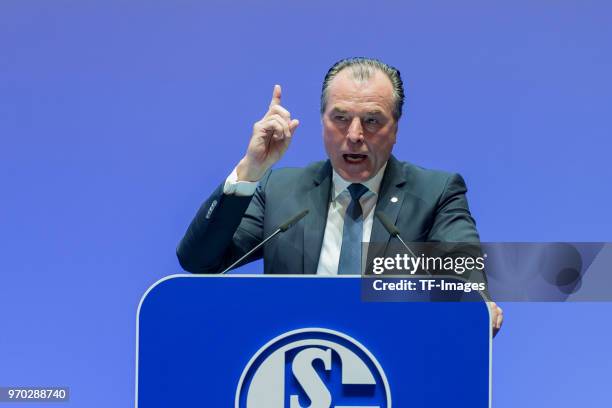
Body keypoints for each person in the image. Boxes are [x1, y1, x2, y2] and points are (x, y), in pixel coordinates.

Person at [177, 57, 503, 335]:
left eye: (372, 120)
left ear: (396, 129)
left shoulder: (435, 193)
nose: (355, 135)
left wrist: (476, 304)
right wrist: (250, 170)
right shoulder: (281, 190)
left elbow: (463, 270)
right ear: (322, 122)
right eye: (341, 118)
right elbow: (199, 260)